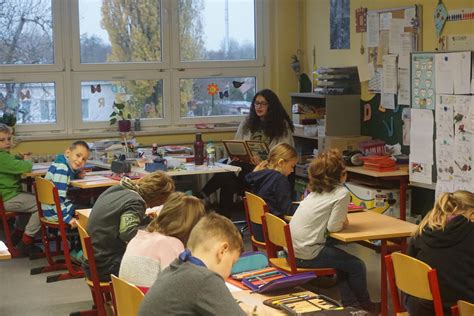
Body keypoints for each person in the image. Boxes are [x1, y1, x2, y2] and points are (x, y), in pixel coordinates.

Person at [290, 149, 378, 314]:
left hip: (293, 250)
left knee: (343, 263)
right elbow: (333, 227)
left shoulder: (314, 190)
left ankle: (351, 305)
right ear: (340, 175)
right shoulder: (341, 193)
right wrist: (343, 222)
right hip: (308, 253)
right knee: (356, 265)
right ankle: (366, 305)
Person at [200, 89, 295, 218]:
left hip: (267, 171)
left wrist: (264, 161)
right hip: (247, 168)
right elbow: (237, 142)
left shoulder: (281, 125)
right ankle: (225, 218)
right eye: (256, 103)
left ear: (271, 106)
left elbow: (283, 153)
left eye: (263, 104)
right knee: (228, 178)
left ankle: (200, 196)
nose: (259, 107)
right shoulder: (247, 122)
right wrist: (239, 154)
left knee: (228, 173)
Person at [138, 213, 249, 316]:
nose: (229, 272)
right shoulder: (205, 278)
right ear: (222, 250)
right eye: (232, 263)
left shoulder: (176, 267)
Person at [85, 172, 175, 282]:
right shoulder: (136, 202)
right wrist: (152, 235)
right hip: (107, 266)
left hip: (93, 263)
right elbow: (127, 233)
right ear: (157, 199)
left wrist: (147, 220)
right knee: (157, 268)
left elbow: (122, 217)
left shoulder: (117, 189)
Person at [119, 192, 206, 292]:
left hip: (129, 305)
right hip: (155, 305)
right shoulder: (171, 244)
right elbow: (179, 288)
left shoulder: (137, 238)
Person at [406, 190, 474, 316]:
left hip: (420, 308)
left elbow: (408, 269)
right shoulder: (470, 232)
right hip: (459, 310)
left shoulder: (423, 230)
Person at [0, 123, 41, 256]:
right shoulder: (2, 157)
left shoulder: (4, 156)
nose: (7, 142)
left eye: (9, 139)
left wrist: (18, 158)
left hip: (7, 196)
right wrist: (28, 160)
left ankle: (16, 236)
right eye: (2, 140)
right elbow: (25, 168)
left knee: (29, 202)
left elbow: (11, 163)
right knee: (41, 204)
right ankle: (26, 242)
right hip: (8, 198)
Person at [245, 143, 298, 241]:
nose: (292, 171)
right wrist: (304, 207)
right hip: (272, 232)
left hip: (258, 230)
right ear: (281, 163)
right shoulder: (280, 180)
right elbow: (287, 210)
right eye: (292, 166)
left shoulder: (259, 176)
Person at [43, 140, 90, 228]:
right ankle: (82, 240)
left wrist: (76, 174)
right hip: (56, 212)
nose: (80, 160)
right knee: (88, 211)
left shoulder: (60, 163)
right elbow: (57, 198)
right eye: (78, 155)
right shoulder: (62, 169)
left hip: (50, 210)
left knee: (82, 204)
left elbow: (66, 177)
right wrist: (67, 218)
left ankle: (74, 237)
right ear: (68, 152)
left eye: (84, 159)